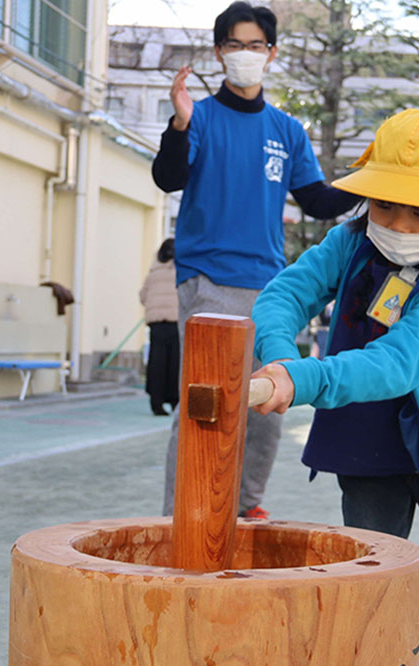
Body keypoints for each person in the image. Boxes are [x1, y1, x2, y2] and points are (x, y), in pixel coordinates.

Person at [250, 109, 419, 666]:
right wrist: (280, 358)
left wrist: (299, 378)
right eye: (385, 203)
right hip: (363, 441)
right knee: (371, 574)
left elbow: (393, 365)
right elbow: (281, 297)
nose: (398, 223)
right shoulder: (348, 241)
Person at [151, 1, 361, 518]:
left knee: (269, 402)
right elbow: (167, 178)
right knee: (205, 400)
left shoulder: (287, 130)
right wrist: (179, 125)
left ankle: (245, 506)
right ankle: (186, 511)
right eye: (235, 45)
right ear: (220, 52)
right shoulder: (198, 116)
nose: (245, 54)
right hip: (208, 281)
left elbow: (315, 200)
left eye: (256, 45)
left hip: (269, 288)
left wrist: (366, 182)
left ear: (271, 53)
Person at [139, 239, 180, 416]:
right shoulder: (180, 270)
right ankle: (174, 400)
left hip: (155, 323)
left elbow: (142, 296)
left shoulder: (153, 272)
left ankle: (156, 402)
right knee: (175, 363)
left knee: (156, 363)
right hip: (175, 322)